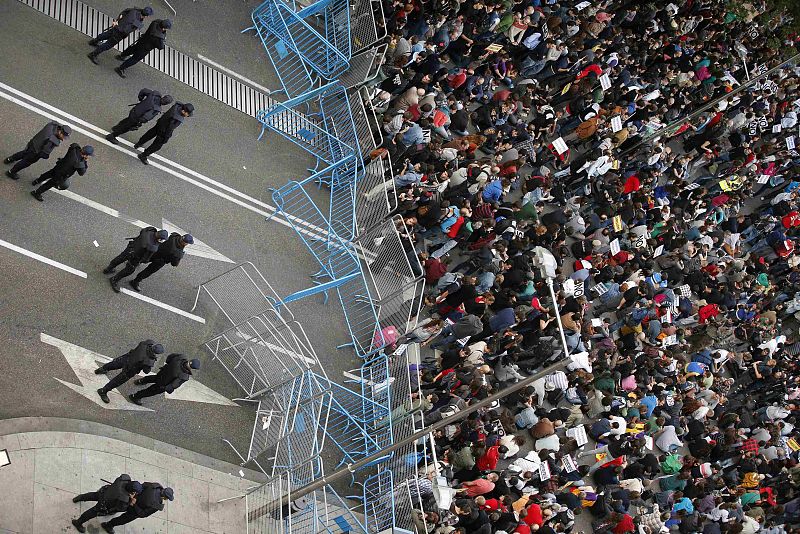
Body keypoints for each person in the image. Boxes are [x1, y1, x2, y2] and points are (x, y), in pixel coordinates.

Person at [95, 340, 165, 403]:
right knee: (117, 381)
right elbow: (146, 371)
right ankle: (103, 391)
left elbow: (141, 344)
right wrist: (153, 360)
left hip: (128, 357)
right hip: (130, 370)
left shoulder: (147, 343)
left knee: (114, 364)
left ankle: (102, 369)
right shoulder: (149, 361)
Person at [103, 227, 168, 292]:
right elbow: (146, 259)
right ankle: (114, 279)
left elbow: (141, 232)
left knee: (120, 258)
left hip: (131, 247)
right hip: (135, 257)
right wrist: (142, 261)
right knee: (129, 270)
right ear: (160, 239)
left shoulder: (149, 230)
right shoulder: (153, 247)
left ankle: (108, 269)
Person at [71, 474, 141, 533]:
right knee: (92, 512)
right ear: (132, 492)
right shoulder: (124, 499)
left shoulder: (125, 478)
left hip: (104, 491)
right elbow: (121, 508)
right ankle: (78, 523)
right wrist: (130, 502)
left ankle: (78, 498)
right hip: (104, 503)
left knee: (92, 495)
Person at [4, 122, 71, 180]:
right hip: (35, 152)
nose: (63, 139)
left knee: (23, 153)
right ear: (60, 132)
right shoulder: (53, 141)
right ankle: (11, 172)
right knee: (25, 162)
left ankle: (9, 159)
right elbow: (44, 154)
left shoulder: (52, 125)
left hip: (33, 142)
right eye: (63, 136)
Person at [87, 6, 153, 64]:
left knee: (106, 34)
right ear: (146, 16)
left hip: (117, 26)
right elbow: (126, 30)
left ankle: (93, 41)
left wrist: (117, 21)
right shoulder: (138, 23)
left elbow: (124, 12)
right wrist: (125, 34)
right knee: (107, 45)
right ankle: (93, 54)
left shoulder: (135, 10)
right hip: (119, 33)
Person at [128, 232, 193, 292]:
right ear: (185, 243)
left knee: (142, 258)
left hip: (155, 251)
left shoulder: (174, 236)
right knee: (148, 271)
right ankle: (135, 281)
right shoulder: (178, 252)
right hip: (160, 261)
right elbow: (174, 264)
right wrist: (180, 256)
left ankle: (131, 263)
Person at [106, 88, 174, 144]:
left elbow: (143, 90)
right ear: (166, 104)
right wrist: (139, 123)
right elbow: (146, 117)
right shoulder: (156, 108)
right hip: (136, 118)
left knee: (127, 120)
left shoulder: (155, 94)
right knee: (126, 128)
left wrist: (140, 99)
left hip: (134, 110)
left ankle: (116, 127)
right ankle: (112, 136)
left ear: (164, 96)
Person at [128, 354, 200, 405]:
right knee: (150, 391)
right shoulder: (184, 376)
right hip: (163, 384)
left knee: (153, 378)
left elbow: (170, 357)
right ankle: (135, 396)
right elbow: (173, 385)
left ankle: (140, 381)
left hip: (162, 373)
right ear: (192, 368)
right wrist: (168, 389)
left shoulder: (181, 357)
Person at [99, 483, 173, 533]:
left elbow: (142, 485)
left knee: (118, 506)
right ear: (165, 497)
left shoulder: (155, 485)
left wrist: (134, 495)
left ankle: (105, 512)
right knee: (121, 520)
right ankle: (108, 525)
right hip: (134, 512)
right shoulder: (157, 505)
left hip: (131, 498)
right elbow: (143, 514)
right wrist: (134, 504)